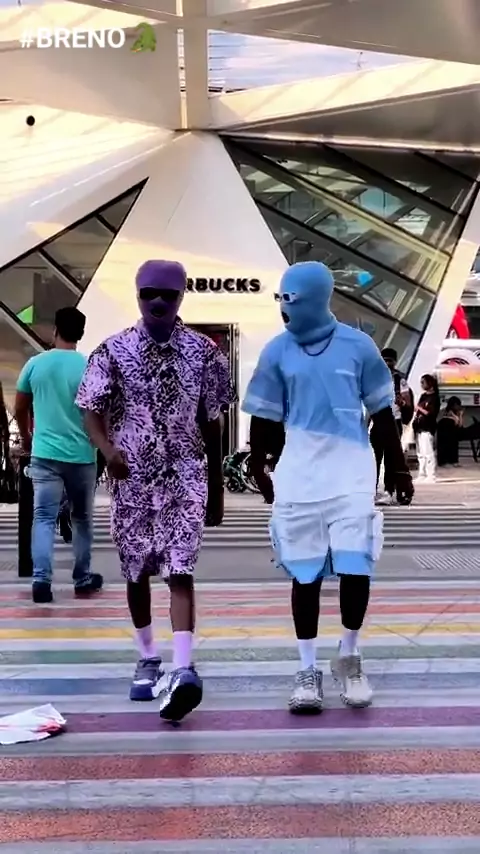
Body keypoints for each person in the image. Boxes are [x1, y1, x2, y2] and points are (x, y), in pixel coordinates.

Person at [243, 261, 413, 713]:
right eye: (281, 300)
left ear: (317, 299)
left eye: (292, 301)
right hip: (299, 475)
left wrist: (398, 469)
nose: (284, 309)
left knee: (357, 566)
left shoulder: (359, 347)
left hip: (351, 472)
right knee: (306, 574)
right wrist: (258, 465)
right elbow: (264, 416)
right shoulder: (277, 351)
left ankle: (349, 656)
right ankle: (307, 670)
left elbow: (382, 413)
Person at [75, 259, 235, 722]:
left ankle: (183, 667)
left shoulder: (204, 353)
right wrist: (107, 449)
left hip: (185, 477)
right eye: (149, 294)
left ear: (182, 295)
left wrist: (217, 486)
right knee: (136, 571)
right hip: (132, 479)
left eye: (168, 294)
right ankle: (147, 656)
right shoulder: (112, 350)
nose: (159, 302)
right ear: (138, 295)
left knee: (181, 569)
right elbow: (90, 409)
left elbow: (213, 422)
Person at [14, 307, 102, 604]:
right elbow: (100, 412)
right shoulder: (89, 367)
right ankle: (82, 578)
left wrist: (27, 438)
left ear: (55, 331)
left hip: (45, 454)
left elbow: (20, 407)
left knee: (43, 517)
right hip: (82, 455)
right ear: (81, 334)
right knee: (82, 518)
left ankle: (41, 580)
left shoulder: (35, 364)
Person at [370, 347, 414, 503]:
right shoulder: (374, 378)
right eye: (385, 360)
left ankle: (389, 491)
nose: (387, 363)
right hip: (377, 421)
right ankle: (372, 490)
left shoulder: (400, 380)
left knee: (391, 457)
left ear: (395, 362)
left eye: (390, 361)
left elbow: (407, 401)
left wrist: (402, 403)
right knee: (374, 457)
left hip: (394, 421)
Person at [413, 373, 440, 483]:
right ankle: (422, 473)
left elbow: (430, 413)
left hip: (428, 427)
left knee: (428, 451)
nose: (421, 385)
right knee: (420, 453)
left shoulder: (434, 398)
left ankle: (431, 474)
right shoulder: (423, 396)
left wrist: (419, 408)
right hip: (419, 426)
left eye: (423, 382)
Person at [436, 396, 463, 468]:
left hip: (452, 429)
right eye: (456, 405)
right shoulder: (447, 411)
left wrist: (460, 415)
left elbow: (460, 425)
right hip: (445, 427)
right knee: (444, 445)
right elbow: (456, 422)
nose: (458, 406)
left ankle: (453, 461)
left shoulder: (457, 412)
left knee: (453, 444)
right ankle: (443, 461)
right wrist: (456, 417)